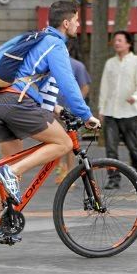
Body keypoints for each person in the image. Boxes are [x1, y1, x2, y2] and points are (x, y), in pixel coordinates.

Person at [0, 0, 100, 211]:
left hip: (1, 101)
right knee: (64, 144)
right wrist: (86, 115)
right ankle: (11, 173)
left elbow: (35, 84)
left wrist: (57, 109)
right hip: (17, 103)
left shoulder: (40, 39)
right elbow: (68, 84)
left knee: (9, 163)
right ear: (66, 23)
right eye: (77, 20)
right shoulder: (55, 44)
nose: (79, 25)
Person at [99, 30, 137, 188]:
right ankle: (114, 179)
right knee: (111, 149)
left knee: (133, 148)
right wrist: (101, 109)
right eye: (115, 40)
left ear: (129, 43)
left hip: (130, 112)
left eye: (120, 40)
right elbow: (104, 87)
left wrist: (136, 96)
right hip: (110, 112)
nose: (117, 43)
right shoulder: (110, 63)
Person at [55, 53, 91, 183]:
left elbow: (85, 87)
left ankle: (69, 175)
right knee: (55, 141)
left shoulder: (77, 65)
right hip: (54, 110)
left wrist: (74, 104)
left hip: (71, 112)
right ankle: (61, 168)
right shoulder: (52, 63)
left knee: (71, 144)